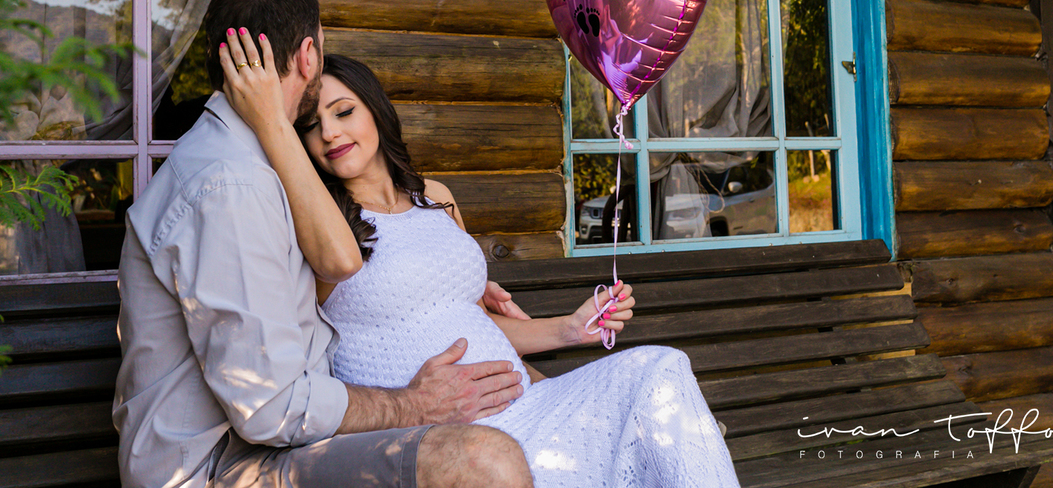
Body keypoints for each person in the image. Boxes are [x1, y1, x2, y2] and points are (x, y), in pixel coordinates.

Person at [217, 28, 743, 488]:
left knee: (660, 366)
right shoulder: (322, 231)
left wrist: (570, 329)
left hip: (527, 405)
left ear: (375, 109)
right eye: (311, 125)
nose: (330, 133)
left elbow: (471, 319)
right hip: (447, 437)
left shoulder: (436, 198)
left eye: (344, 111)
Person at [113, 0, 535, 488]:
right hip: (217, 468)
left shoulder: (260, 158)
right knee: (481, 461)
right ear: (308, 55)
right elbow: (271, 409)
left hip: (274, 446)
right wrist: (415, 404)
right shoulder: (230, 183)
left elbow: (340, 259)